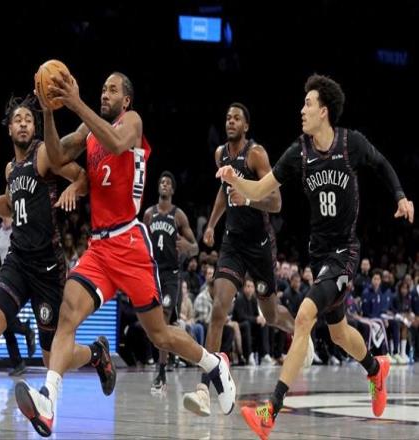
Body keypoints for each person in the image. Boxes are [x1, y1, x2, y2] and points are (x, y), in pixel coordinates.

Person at [14, 71, 236, 437]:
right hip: (99, 247)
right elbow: (54, 156)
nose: (105, 93)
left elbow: (117, 144)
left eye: (112, 90)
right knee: (68, 314)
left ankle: (214, 364)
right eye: (103, 88)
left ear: (126, 100)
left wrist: (75, 103)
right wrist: (50, 111)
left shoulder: (131, 121)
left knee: (160, 335)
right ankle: (48, 400)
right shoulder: (87, 130)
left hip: (130, 242)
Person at [217, 74, 414, 438]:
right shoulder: (299, 152)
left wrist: (401, 196)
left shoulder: (350, 143)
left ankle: (270, 411)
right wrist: (234, 179)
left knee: (305, 316)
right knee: (339, 335)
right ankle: (376, 368)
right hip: (319, 255)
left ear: (324, 111)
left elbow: (382, 164)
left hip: (345, 253)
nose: (301, 110)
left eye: (307, 104)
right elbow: (259, 190)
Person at [0, 94, 98, 440]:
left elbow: (81, 176)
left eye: (29, 119)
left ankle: (96, 354)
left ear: (35, 127)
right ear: (9, 129)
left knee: (51, 358)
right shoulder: (10, 169)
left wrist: (74, 188)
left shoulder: (43, 154)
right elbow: (11, 205)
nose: (24, 123)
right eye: (18, 119)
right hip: (17, 261)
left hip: (47, 267)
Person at [183, 102, 311, 417]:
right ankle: (203, 389)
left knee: (270, 314)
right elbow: (222, 191)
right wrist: (212, 224)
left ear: (246, 126)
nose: (231, 121)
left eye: (237, 118)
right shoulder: (220, 155)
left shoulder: (256, 154)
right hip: (233, 245)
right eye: (228, 117)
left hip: (260, 246)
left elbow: (276, 202)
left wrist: (249, 197)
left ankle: (298, 331)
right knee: (218, 309)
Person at [143, 170, 198, 392]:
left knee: (164, 318)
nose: (164, 184)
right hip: (152, 272)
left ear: (172, 190)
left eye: (168, 183)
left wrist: (187, 246)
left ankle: (162, 370)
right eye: (162, 182)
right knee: (154, 323)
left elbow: (195, 248)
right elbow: (142, 245)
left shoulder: (178, 215)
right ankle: (175, 353)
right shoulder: (149, 214)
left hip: (171, 275)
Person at [0, 216, 36, 376]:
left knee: (4, 318)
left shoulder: (19, 228)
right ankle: (18, 362)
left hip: (20, 276)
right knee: (4, 323)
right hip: (5, 275)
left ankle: (26, 332)